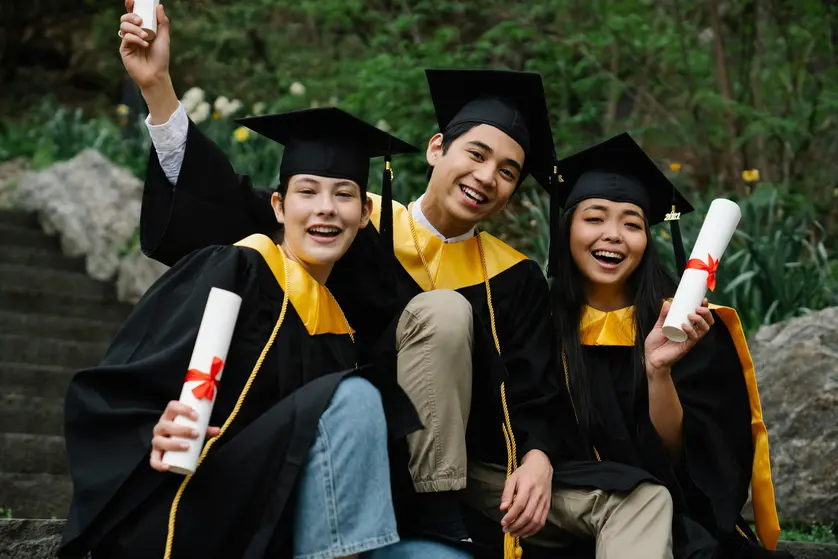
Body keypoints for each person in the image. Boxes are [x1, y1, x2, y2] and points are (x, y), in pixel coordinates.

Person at [134, 33, 679, 554]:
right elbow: (226, 204)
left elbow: (537, 391)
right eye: (477, 154)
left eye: (508, 171)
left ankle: (441, 515)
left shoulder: (515, 278)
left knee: (632, 496)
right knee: (441, 310)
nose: (488, 176)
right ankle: (430, 517)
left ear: (513, 192)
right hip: (350, 443)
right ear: (437, 148)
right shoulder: (350, 218)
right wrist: (159, 89)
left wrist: (537, 456)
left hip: (471, 474)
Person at [58, 92, 440, 558]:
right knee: (357, 394)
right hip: (202, 505)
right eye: (308, 191)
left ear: (365, 215)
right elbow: (119, 388)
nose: (325, 208)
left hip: (288, 520)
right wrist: (153, 430)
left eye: (344, 194)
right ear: (278, 206)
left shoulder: (348, 326)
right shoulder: (235, 270)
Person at [543, 132, 789, 559]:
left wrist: (658, 371)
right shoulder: (537, 322)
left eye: (632, 223)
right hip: (565, 517)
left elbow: (685, 460)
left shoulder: (688, 325)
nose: (614, 235)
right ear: (566, 228)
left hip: (671, 519)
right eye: (595, 218)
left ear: (647, 240)